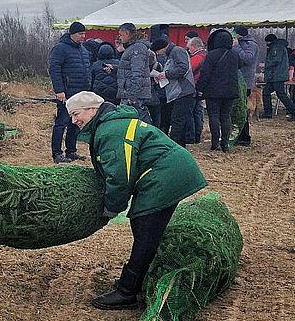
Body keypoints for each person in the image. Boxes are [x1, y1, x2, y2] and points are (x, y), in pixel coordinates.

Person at [67, 91, 207, 309]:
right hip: (165, 171)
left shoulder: (111, 130)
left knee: (145, 231)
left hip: (165, 175)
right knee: (146, 231)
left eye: (76, 114)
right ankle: (137, 280)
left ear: (92, 109)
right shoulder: (109, 125)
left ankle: (127, 292)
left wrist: (111, 209)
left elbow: (120, 175)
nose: (74, 121)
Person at [48, 22, 92, 163]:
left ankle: (71, 151)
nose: (83, 36)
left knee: (75, 123)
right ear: (72, 34)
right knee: (62, 123)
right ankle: (57, 154)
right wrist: (59, 90)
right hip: (66, 93)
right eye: (80, 34)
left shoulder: (83, 50)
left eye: (84, 34)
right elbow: (54, 69)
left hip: (80, 93)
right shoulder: (60, 49)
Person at [196, 28, 240, 152]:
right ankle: (225, 143)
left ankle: (215, 143)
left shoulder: (211, 55)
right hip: (231, 90)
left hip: (213, 91)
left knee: (214, 116)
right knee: (226, 116)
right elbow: (240, 65)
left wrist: (200, 89)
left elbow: (205, 74)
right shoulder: (235, 55)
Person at [149, 37, 196, 146]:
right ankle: (180, 144)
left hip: (183, 92)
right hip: (177, 92)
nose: (158, 54)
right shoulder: (171, 53)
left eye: (157, 51)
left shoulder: (177, 51)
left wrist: (166, 74)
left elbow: (183, 68)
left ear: (162, 48)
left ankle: (175, 145)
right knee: (178, 120)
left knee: (177, 120)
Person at [113, 22, 153, 123]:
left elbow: (138, 72)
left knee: (135, 120)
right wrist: (114, 68)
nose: (120, 38)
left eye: (121, 35)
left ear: (127, 33)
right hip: (130, 92)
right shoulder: (133, 47)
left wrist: (132, 94)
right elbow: (130, 68)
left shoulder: (137, 48)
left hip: (132, 93)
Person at [261, 34, 295, 120]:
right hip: (275, 76)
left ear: (270, 41)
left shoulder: (276, 47)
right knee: (266, 92)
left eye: (267, 42)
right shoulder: (278, 47)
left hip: (277, 75)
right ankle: (267, 113)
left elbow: (276, 60)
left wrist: (266, 65)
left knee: (281, 94)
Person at [231, 26, 258, 146]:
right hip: (237, 80)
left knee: (241, 110)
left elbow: (248, 59)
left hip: (245, 82)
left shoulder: (250, 44)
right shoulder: (242, 43)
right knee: (237, 109)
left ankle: (244, 137)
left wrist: (236, 47)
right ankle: (237, 135)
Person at [186, 37, 208, 143]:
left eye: (189, 48)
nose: (189, 51)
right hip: (200, 88)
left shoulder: (198, 57)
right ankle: (197, 136)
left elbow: (189, 69)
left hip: (194, 87)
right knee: (198, 113)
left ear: (194, 47)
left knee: (191, 113)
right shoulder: (205, 55)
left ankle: (192, 137)